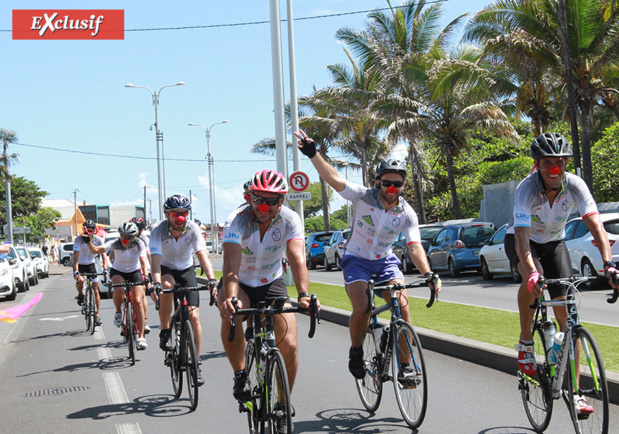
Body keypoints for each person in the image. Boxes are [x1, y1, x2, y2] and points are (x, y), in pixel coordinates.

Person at [295, 129, 441, 380]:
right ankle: (356, 350)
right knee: (363, 308)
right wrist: (313, 154)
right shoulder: (363, 197)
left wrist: (428, 273)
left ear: (403, 185)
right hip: (356, 260)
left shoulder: (407, 213)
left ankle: (406, 367)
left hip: (385, 262)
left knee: (403, 308)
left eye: (397, 184)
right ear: (378, 182)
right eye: (386, 183)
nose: (391, 188)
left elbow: (414, 246)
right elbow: (336, 180)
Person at [505, 132, 619, 416]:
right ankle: (525, 341)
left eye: (559, 161)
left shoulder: (575, 186)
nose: (554, 168)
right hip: (522, 241)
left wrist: (609, 264)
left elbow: (596, 225)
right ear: (537, 165)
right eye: (548, 162)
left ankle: (575, 392)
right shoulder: (526, 189)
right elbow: (521, 237)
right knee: (534, 276)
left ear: (566, 163)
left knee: (568, 317)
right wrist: (531, 272)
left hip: (554, 242)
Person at [217, 170, 315, 413]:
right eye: (258, 199)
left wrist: (304, 295)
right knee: (232, 314)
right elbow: (231, 264)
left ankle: (283, 404)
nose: (264, 206)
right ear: (250, 197)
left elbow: (297, 258)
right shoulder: (237, 220)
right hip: (240, 281)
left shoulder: (290, 219)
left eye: (271, 201)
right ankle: (240, 373)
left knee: (289, 345)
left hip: (270, 282)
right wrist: (230, 297)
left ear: (281, 201)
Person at [149, 195, 218, 385]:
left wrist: (212, 279)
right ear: (167, 214)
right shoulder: (158, 229)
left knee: (194, 316)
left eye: (184, 213)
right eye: (175, 214)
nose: (180, 218)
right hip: (166, 268)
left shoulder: (193, 228)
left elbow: (202, 254)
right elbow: (154, 258)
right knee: (166, 286)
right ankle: (165, 330)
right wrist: (156, 282)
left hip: (186, 269)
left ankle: (196, 362)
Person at [88, 221, 149, 349]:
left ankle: (141, 336)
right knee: (119, 288)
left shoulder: (139, 243)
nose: (125, 239)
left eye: (128, 237)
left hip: (134, 271)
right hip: (118, 271)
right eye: (122, 236)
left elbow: (143, 261)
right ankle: (118, 312)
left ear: (134, 236)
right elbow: (95, 250)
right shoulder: (115, 243)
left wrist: (146, 276)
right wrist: (88, 241)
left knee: (138, 301)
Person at [72, 220, 109, 326]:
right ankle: (80, 294)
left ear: (94, 231)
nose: (89, 232)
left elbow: (104, 256)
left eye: (91, 230)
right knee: (80, 280)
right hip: (80, 264)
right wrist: (76, 271)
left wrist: (105, 269)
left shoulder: (98, 240)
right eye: (87, 230)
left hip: (91, 265)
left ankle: (97, 315)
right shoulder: (79, 239)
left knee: (96, 288)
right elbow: (76, 256)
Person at [130, 217, 152, 334]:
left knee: (142, 294)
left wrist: (152, 270)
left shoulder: (144, 239)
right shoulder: (127, 236)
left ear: (141, 230)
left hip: (141, 267)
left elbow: (148, 255)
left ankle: (145, 320)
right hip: (129, 267)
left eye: (137, 228)